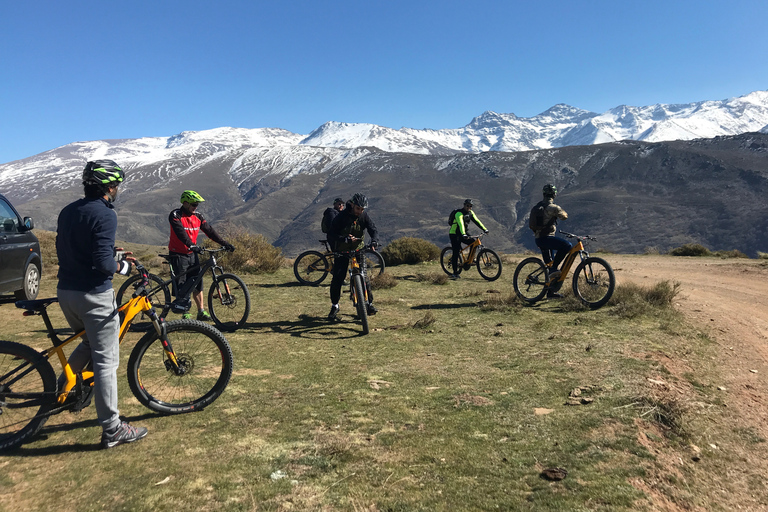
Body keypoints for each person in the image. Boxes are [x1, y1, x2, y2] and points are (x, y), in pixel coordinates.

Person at [56, 159, 148, 449]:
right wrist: (125, 267)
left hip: (66, 292)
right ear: (109, 186)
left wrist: (111, 250)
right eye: (117, 184)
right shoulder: (106, 215)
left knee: (87, 343)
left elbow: (76, 247)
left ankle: (63, 389)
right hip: (93, 295)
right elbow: (101, 263)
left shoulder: (69, 210)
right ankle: (112, 429)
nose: (118, 188)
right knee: (107, 360)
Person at [168, 190, 235, 320]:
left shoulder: (198, 216)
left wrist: (224, 243)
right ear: (186, 203)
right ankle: (185, 312)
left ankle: (201, 311)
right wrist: (191, 245)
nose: (196, 206)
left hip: (192, 253)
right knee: (182, 284)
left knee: (197, 283)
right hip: (178, 254)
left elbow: (209, 231)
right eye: (193, 204)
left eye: (197, 204)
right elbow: (180, 232)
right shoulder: (175, 215)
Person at [327, 193, 379, 321]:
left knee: (364, 277)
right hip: (342, 251)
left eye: (362, 209)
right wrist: (343, 239)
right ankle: (335, 306)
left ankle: (369, 304)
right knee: (338, 279)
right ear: (352, 205)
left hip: (358, 249)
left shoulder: (363, 216)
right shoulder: (341, 217)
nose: (360, 212)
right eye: (358, 209)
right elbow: (331, 234)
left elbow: (373, 229)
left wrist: (374, 240)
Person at [529, 184, 572, 298]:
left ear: (543, 194)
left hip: (539, 239)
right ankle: (554, 268)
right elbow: (564, 216)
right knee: (567, 245)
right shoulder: (553, 207)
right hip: (547, 238)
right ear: (554, 194)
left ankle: (550, 292)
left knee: (549, 265)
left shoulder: (537, 207)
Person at [448, 199, 488, 279]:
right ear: (464, 205)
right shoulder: (459, 213)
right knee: (456, 252)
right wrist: (463, 234)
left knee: (473, 243)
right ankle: (455, 273)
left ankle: (469, 261)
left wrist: (485, 229)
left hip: (464, 233)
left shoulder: (470, 213)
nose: (469, 207)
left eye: (470, 206)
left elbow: (477, 221)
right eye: (467, 205)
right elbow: (461, 224)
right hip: (455, 234)